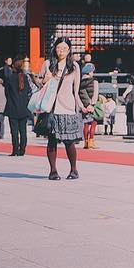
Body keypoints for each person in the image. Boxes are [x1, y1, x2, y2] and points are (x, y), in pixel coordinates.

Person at [39, 37, 82, 180]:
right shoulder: (48, 64)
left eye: (64, 48)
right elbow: (39, 83)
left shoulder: (74, 66)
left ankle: (74, 169)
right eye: (58, 48)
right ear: (54, 49)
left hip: (67, 108)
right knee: (52, 140)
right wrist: (44, 80)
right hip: (51, 107)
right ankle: (53, 171)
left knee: (69, 141)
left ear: (69, 50)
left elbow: (76, 90)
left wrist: (80, 107)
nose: (61, 51)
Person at [2, 56, 32, 156]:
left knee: (14, 131)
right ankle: (22, 150)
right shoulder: (25, 78)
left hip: (13, 107)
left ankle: (15, 150)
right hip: (23, 107)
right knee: (23, 131)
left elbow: (6, 92)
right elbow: (28, 91)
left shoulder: (10, 78)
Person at [79, 63, 99, 149]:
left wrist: (84, 106)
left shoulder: (80, 82)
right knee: (94, 123)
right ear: (90, 72)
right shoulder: (94, 81)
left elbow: (79, 94)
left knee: (86, 124)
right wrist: (92, 104)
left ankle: (85, 143)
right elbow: (95, 94)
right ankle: (91, 141)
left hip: (84, 106)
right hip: (91, 105)